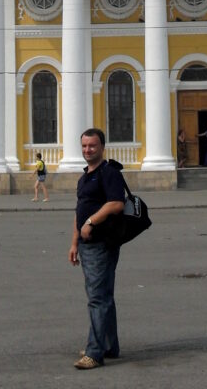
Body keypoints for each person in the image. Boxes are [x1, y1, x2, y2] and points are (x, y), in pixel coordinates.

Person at [68, 128, 125, 370]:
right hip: (87, 243)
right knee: (103, 296)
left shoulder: (109, 172)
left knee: (97, 298)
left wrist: (91, 222)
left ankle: (94, 352)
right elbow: (79, 209)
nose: (87, 150)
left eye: (91, 146)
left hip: (101, 242)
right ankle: (109, 345)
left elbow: (116, 203)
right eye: (84, 146)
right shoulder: (85, 177)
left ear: (102, 147)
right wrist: (74, 243)